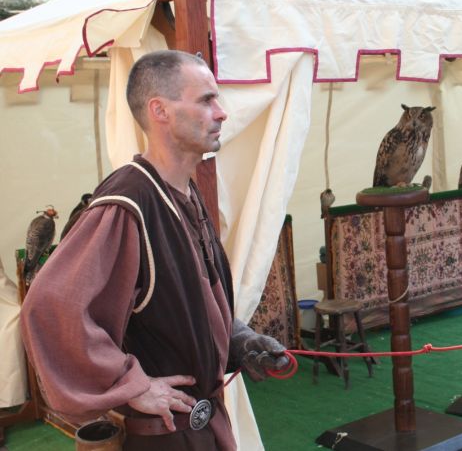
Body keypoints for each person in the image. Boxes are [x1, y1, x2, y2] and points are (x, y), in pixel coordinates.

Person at [20, 50, 289, 450]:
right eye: (205, 100)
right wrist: (132, 385)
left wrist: (238, 338)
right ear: (159, 110)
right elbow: (50, 307)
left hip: (202, 427)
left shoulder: (183, 192)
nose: (221, 113)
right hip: (163, 437)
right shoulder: (126, 204)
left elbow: (182, 304)